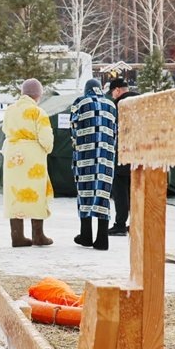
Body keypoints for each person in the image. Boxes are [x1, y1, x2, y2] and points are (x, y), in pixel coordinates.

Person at [1, 79, 55, 248]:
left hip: (12, 156)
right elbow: (46, 138)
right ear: (38, 94)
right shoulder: (38, 112)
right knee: (36, 192)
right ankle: (38, 235)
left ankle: (16, 236)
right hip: (33, 157)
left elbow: (5, 130)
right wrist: (47, 149)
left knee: (14, 193)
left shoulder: (10, 110)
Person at [69, 78, 117, 252]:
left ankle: (86, 235)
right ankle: (102, 238)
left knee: (85, 193)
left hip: (85, 155)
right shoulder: (111, 105)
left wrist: (76, 147)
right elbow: (115, 131)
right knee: (102, 193)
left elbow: (73, 128)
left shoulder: (80, 102)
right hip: (106, 156)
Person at [105, 77, 137, 237]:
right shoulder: (141, 100)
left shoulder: (119, 105)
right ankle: (137, 223)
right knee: (136, 190)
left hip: (123, 153)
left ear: (117, 90)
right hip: (141, 154)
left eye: (112, 93)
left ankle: (120, 224)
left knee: (120, 191)